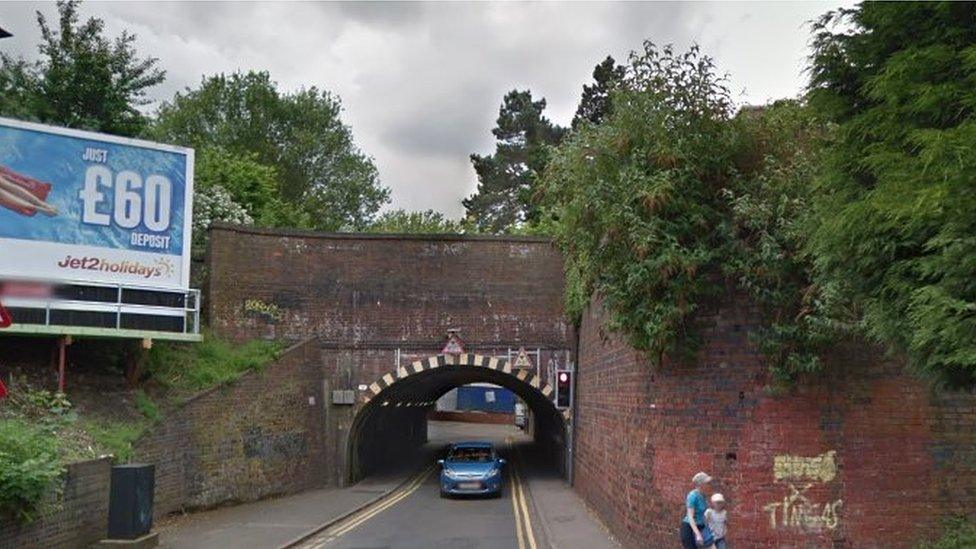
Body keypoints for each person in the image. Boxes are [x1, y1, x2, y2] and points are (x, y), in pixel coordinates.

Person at [679, 471, 713, 548]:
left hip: (701, 527)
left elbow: (703, 515)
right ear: (701, 484)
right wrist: (698, 534)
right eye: (707, 483)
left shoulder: (703, 496)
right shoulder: (692, 496)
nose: (709, 485)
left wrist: (708, 526)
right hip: (689, 529)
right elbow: (690, 517)